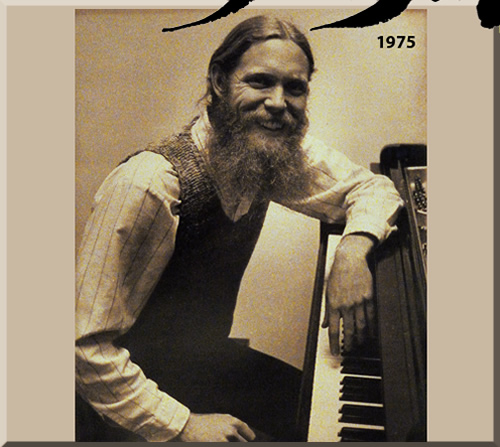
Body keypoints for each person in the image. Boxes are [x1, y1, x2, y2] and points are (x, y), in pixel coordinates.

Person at [75, 14, 404, 442]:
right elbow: (84, 348)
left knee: (330, 421)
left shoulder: (266, 154)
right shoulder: (149, 184)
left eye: (295, 87)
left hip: (202, 367)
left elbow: (373, 187)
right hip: (121, 402)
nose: (277, 102)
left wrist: (353, 249)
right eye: (260, 81)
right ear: (218, 81)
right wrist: (183, 425)